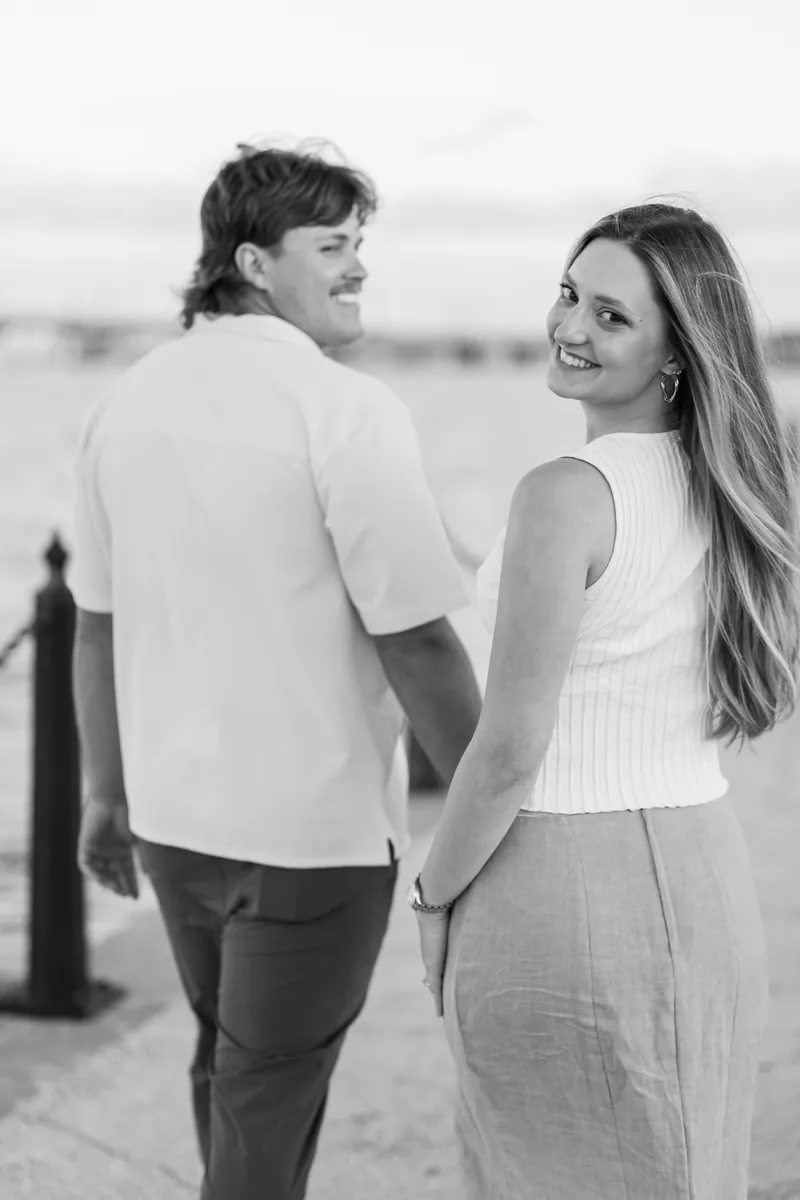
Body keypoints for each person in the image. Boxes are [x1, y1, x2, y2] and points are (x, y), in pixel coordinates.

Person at [71, 139, 482, 1200]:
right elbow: (419, 639)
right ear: (255, 265)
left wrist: (106, 798)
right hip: (311, 836)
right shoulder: (344, 409)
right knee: (262, 1100)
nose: (356, 266)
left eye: (359, 244)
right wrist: (497, 816)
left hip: (172, 821)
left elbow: (95, 625)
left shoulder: (125, 403)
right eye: (332, 244)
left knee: (227, 1067)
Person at [409, 202, 800, 1198]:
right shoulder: (730, 483)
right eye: (568, 292)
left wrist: (431, 892)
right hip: (702, 879)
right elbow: (608, 629)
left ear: (676, 353)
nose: (568, 326)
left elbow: (507, 748)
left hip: (558, 885)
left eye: (609, 316)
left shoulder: (563, 492)